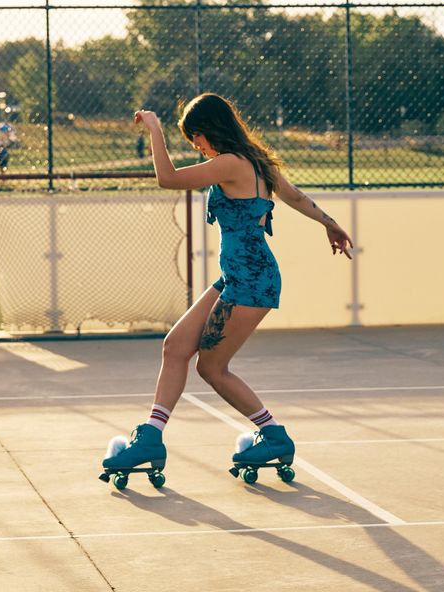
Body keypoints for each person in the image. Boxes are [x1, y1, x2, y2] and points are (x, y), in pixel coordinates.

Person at [102, 93, 352, 475]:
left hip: (252, 280)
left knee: (212, 368)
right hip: (236, 276)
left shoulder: (231, 163)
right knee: (175, 347)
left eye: (195, 139)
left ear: (210, 131)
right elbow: (296, 197)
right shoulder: (256, 161)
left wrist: (155, 129)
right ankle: (150, 437)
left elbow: (168, 179)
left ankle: (273, 435)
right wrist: (329, 223)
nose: (196, 147)